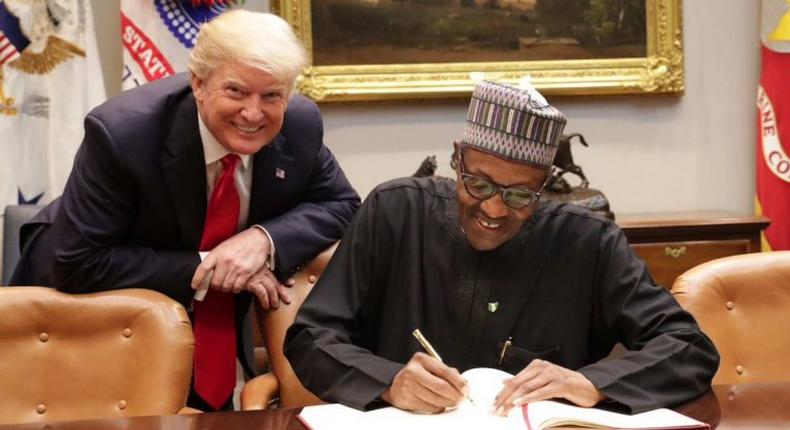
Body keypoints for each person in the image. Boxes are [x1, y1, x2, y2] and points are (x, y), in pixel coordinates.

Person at [284, 81, 719, 415]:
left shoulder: (588, 242)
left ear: (544, 186)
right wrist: (387, 380)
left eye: (518, 195)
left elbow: (688, 347)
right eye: (478, 183)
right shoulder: (394, 213)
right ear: (457, 159)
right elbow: (310, 337)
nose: (492, 208)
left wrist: (594, 383)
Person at [10, 10, 360, 411]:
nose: (253, 113)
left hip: (214, 334)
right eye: (236, 91)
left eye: (271, 95)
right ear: (198, 83)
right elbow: (78, 263)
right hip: (83, 315)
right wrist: (211, 265)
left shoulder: (299, 125)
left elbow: (343, 204)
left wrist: (261, 240)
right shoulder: (123, 133)